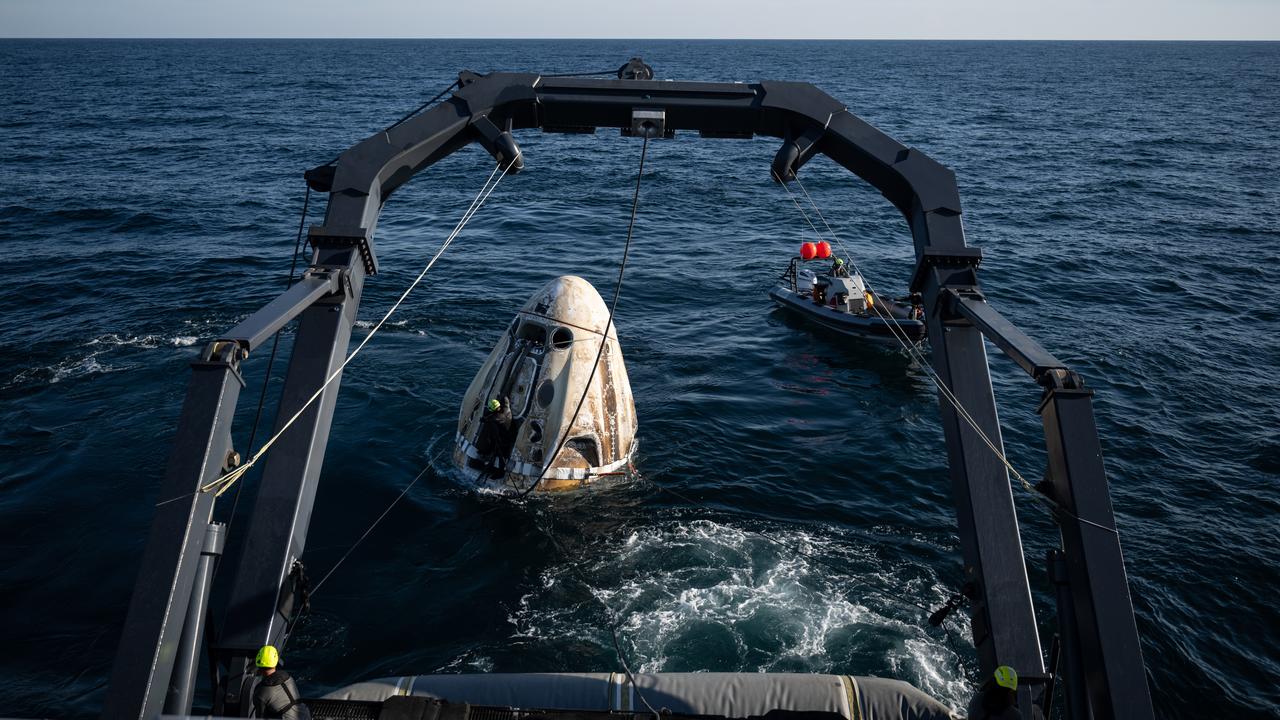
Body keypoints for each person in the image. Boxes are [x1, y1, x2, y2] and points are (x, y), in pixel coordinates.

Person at [252, 645, 311, 720]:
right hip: (305, 715)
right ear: (276, 661)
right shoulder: (287, 677)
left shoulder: (261, 692)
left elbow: (260, 717)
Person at [475, 396, 513, 478]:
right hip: (507, 433)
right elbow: (505, 401)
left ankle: (500, 473)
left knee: (501, 455)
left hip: (503, 439)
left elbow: (486, 419)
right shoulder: (506, 410)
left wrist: (485, 418)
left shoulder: (495, 418)